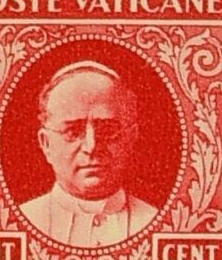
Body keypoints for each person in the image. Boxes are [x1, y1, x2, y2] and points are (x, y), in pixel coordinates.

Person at [16, 56, 161, 249]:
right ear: (46, 144)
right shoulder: (21, 222)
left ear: (131, 137)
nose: (91, 147)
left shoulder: (158, 224)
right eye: (72, 132)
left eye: (108, 130)